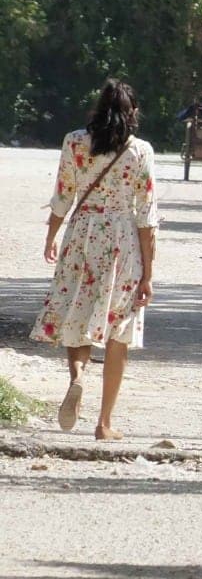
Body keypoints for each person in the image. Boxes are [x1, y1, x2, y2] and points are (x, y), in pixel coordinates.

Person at [31, 79, 158, 440]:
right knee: (119, 331)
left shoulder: (74, 142)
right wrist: (148, 273)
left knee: (76, 313)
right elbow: (147, 215)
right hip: (122, 241)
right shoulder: (141, 152)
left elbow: (62, 196)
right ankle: (104, 424)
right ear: (133, 113)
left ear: (97, 108)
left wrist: (51, 237)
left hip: (82, 235)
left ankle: (77, 377)